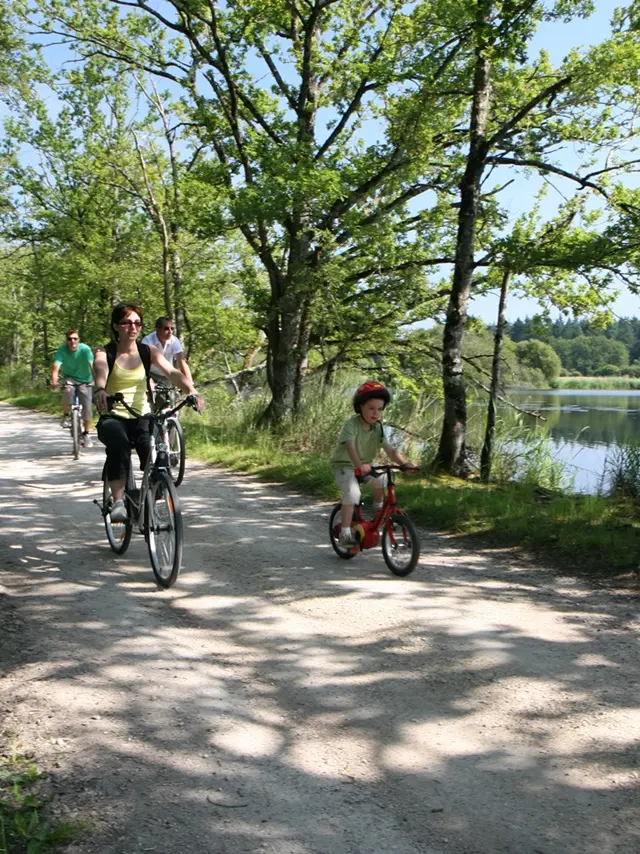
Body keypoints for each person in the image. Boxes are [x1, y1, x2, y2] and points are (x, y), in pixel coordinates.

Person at [93, 303, 202, 523]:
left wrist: (191, 390)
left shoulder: (148, 351)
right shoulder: (106, 352)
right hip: (114, 416)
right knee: (119, 445)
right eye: (126, 322)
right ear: (115, 326)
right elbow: (100, 367)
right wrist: (101, 389)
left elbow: (171, 371)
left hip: (142, 416)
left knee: (156, 455)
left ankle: (150, 500)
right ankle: (118, 502)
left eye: (137, 323)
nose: (132, 327)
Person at [330, 381, 415, 547]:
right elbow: (350, 446)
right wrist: (359, 465)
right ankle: (345, 532)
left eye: (380, 409)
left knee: (384, 479)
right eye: (371, 408)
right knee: (353, 493)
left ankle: (379, 511)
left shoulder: (378, 428)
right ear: (360, 406)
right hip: (343, 465)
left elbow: (390, 450)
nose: (376, 413)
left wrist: (404, 463)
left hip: (365, 466)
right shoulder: (351, 425)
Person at [51, 329, 95, 447]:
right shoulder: (62, 350)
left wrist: (96, 380)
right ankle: (66, 416)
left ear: (79, 340)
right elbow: (56, 366)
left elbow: (92, 365)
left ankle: (86, 433)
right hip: (70, 378)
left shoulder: (85, 349)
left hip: (86, 380)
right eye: (70, 339)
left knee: (87, 408)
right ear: (66, 340)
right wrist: (54, 381)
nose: (72, 341)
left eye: (75, 338)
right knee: (67, 390)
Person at [142, 316, 193, 410]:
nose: (170, 331)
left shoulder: (174, 340)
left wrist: (190, 383)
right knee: (150, 403)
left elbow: (181, 361)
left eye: (172, 328)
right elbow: (143, 365)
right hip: (150, 374)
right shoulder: (147, 341)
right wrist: (148, 380)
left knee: (168, 404)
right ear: (157, 330)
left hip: (166, 375)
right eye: (166, 328)